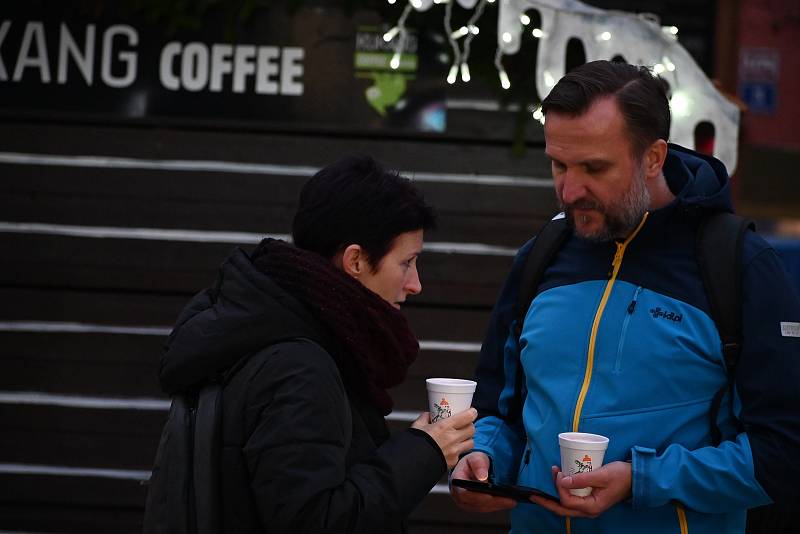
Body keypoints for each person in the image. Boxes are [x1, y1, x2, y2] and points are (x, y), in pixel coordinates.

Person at [449, 60, 800, 533]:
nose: (570, 191)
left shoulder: (738, 265)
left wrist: (642, 480)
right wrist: (484, 458)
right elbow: (500, 409)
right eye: (559, 165)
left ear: (653, 157)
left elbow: (783, 452)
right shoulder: (542, 255)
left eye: (594, 168)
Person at [158, 155, 477, 533]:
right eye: (407, 262)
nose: (415, 284)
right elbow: (314, 521)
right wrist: (424, 451)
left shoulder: (288, 330)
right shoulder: (299, 366)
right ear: (355, 260)